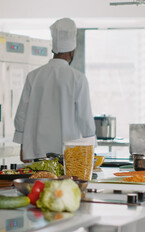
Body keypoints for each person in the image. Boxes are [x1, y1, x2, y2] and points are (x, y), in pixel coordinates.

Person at [13, 18, 95, 162]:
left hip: (36, 153)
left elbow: (21, 114)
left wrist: (23, 146)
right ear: (72, 52)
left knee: (40, 184)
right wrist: (91, 149)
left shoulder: (33, 76)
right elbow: (85, 118)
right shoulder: (78, 78)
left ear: (52, 50)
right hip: (67, 155)